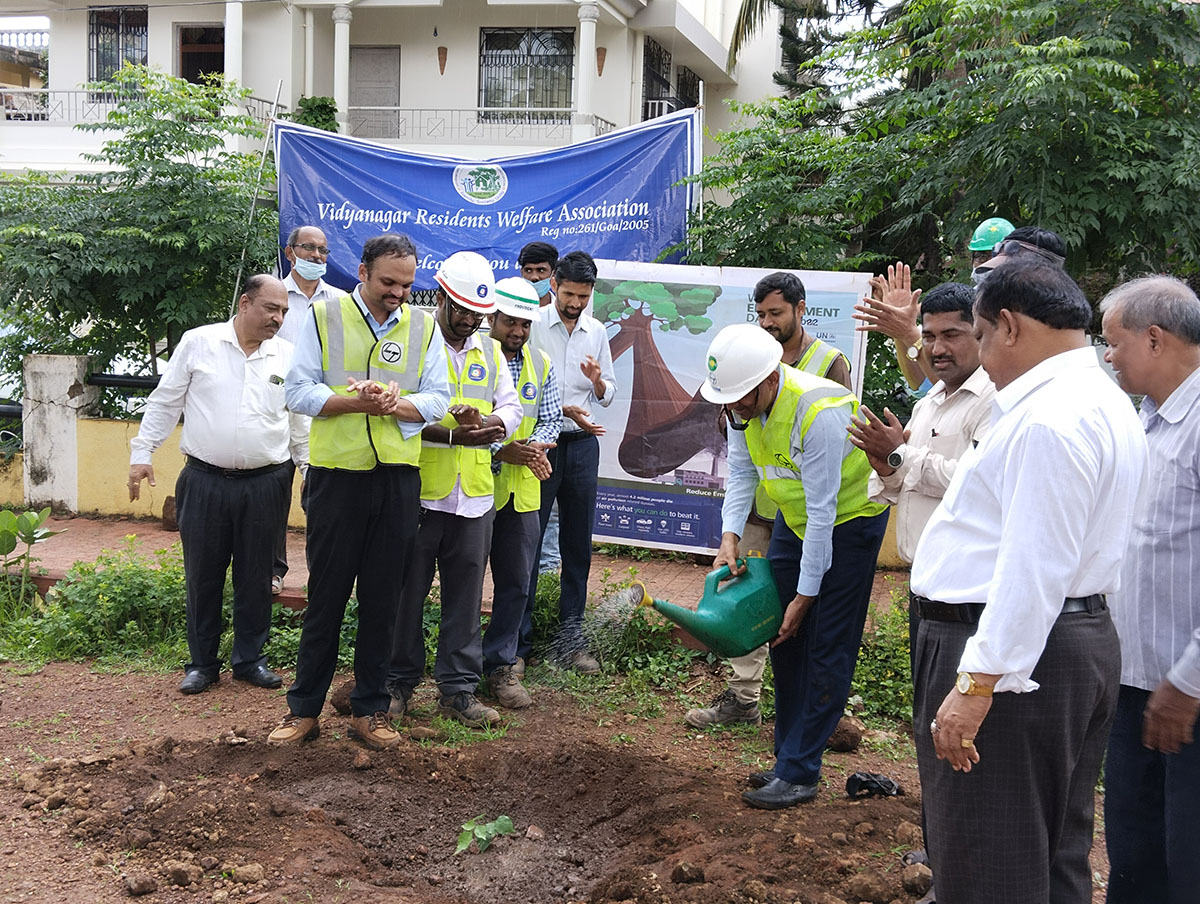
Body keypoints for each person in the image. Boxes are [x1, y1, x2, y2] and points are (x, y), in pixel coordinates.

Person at [909, 259, 1147, 904]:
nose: (978, 357)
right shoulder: (1101, 401)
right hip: (1068, 642)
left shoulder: (1049, 419)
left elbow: (1033, 564)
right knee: (1050, 854)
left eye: (979, 337)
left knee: (990, 859)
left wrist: (979, 679)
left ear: (1008, 326)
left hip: (1015, 660)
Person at [268, 233, 450, 751]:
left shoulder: (423, 327)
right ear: (364, 272)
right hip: (337, 478)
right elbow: (297, 390)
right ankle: (303, 710)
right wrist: (353, 403)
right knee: (324, 597)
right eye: (389, 282)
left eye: (407, 284)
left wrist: (396, 404)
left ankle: (370, 711)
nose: (397, 292)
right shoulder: (324, 318)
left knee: (383, 600)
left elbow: (438, 399)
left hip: (396, 479)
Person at [848, 281, 995, 904]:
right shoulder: (935, 398)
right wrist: (888, 464)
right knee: (927, 725)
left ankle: (966, 865)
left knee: (960, 732)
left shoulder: (993, 402)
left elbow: (978, 484)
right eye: (928, 335)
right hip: (926, 587)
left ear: (982, 332)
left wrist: (901, 455)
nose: (936, 347)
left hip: (971, 597)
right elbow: (906, 485)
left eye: (950, 334)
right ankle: (942, 847)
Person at [702, 323, 889, 810]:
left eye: (743, 396)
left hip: (849, 523)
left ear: (770, 378)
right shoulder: (743, 410)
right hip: (796, 518)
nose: (735, 406)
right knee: (781, 636)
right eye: (729, 399)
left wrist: (805, 596)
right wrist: (730, 538)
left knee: (827, 643)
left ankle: (802, 772)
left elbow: (826, 511)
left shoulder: (820, 411)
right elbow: (741, 473)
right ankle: (788, 756)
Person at [686, 270, 853, 730]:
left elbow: (831, 464)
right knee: (753, 595)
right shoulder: (743, 365)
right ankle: (746, 698)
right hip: (767, 507)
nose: (768, 322)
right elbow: (740, 466)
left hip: (820, 512)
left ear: (801, 310)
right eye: (760, 314)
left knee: (810, 606)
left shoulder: (828, 363)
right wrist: (730, 535)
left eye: (776, 312)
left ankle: (818, 711)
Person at [128, 274, 306, 695]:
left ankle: (250, 660)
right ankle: (202, 663)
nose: (278, 318)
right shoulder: (198, 342)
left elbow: (301, 423)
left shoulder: (288, 356)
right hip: (205, 480)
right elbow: (165, 401)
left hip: (267, 483)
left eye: (283, 311)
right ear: (245, 303)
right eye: (271, 309)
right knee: (203, 576)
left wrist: (311, 473)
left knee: (257, 575)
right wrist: (142, 454)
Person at [386, 252, 522, 729]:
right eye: (460, 309)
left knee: (466, 598)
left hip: (475, 496)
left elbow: (512, 407)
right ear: (441, 297)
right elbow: (394, 412)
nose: (468, 321)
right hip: (422, 493)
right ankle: (396, 685)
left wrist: (491, 423)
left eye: (477, 314)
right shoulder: (414, 342)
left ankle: (458, 691)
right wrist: (450, 434)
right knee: (407, 594)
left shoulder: (488, 351)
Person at [1099, 275, 1200, 904]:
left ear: (1155, 339)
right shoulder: (1144, 421)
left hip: (1185, 691)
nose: (1107, 357)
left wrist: (1188, 681)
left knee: (1188, 859)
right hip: (1136, 683)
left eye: (1113, 343)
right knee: (1135, 852)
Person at [521, 250, 616, 673]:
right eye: (570, 294)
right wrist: (558, 413)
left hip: (581, 446)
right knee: (527, 543)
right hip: (540, 446)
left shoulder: (596, 332)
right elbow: (523, 387)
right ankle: (516, 646)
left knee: (577, 547)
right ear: (553, 284)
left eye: (584, 295)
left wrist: (597, 383)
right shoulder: (532, 325)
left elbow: (608, 392)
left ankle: (570, 642)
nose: (576, 303)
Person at [481, 277, 561, 706]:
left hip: (524, 494)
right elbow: (464, 417)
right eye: (510, 322)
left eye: (525, 324)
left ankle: (501, 665)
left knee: (516, 583)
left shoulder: (541, 364)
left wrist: (532, 448)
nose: (518, 331)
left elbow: (549, 419)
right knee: (466, 582)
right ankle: (455, 668)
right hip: (475, 490)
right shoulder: (473, 358)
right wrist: (501, 449)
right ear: (492, 318)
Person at [273, 225, 338, 595]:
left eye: (323, 251)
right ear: (290, 251)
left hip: (324, 412)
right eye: (309, 248)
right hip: (277, 411)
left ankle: (321, 574)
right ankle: (274, 570)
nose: (316, 256)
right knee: (275, 493)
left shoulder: (340, 301)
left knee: (320, 501)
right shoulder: (274, 296)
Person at [517, 240, 562, 576]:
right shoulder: (511, 314)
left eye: (540, 272)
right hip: (509, 435)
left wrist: (539, 440)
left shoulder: (568, 316)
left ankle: (546, 574)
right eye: (528, 271)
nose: (534, 277)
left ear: (553, 276)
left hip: (552, 434)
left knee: (551, 511)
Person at [518, 241, 558, 307]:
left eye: (541, 270)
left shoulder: (564, 313)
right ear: (521, 272)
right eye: (528, 270)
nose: (534, 277)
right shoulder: (506, 310)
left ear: (553, 273)